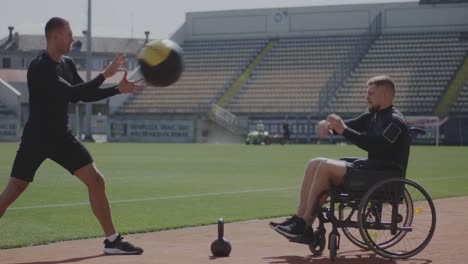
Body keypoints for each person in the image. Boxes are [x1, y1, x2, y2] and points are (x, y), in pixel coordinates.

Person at [0, 17, 145, 255]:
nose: (73, 38)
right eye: (69, 34)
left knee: (96, 180)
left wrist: (117, 88)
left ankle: (112, 240)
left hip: (61, 137)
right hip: (36, 138)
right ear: (55, 37)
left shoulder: (67, 63)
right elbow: (69, 92)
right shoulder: (39, 66)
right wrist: (105, 76)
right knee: (13, 191)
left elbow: (83, 95)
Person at [270, 75, 408, 241]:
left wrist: (343, 130)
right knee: (315, 163)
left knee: (325, 167)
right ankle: (299, 219)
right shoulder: (373, 116)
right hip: (372, 171)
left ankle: (306, 224)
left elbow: (376, 145)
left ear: (385, 95)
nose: (367, 97)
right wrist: (328, 126)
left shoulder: (395, 121)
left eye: (371, 93)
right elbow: (345, 126)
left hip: (385, 176)